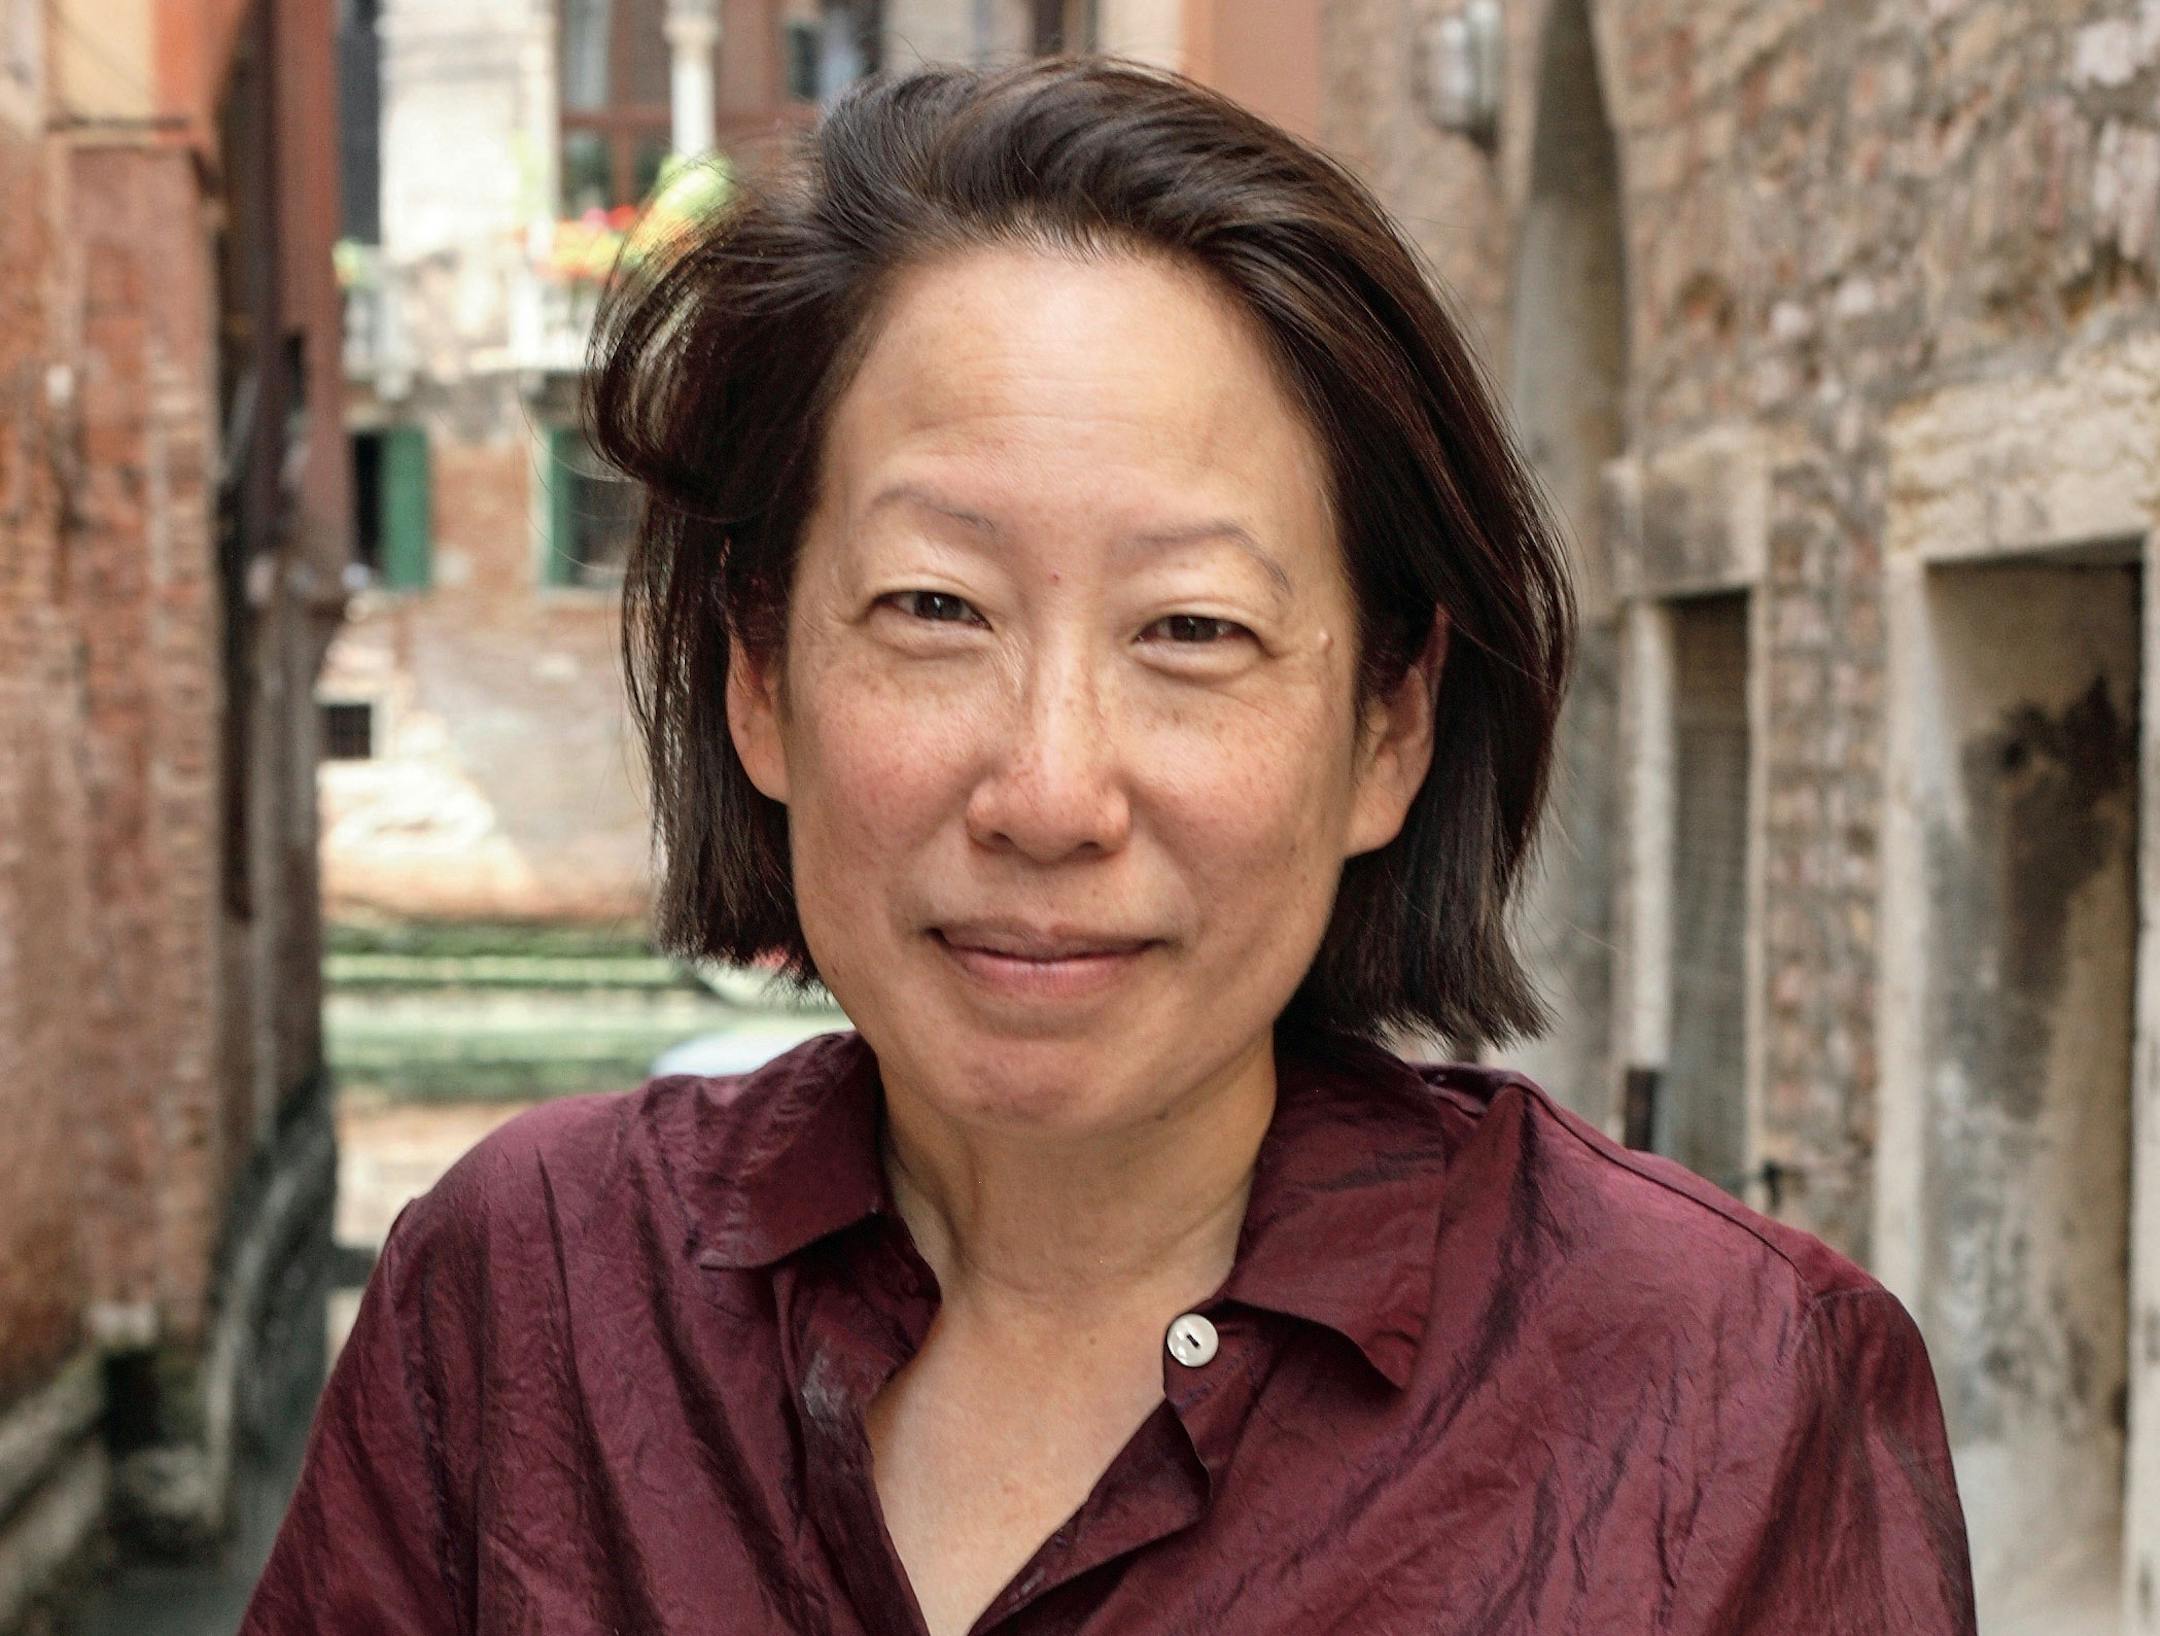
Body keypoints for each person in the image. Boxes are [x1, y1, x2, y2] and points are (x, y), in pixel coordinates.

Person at [239, 56, 1975, 1636]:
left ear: (1389, 727)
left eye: (1192, 631)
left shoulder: (1731, 1393)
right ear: (761, 677)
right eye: (935, 606)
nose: (1051, 793)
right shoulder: (523, 1291)